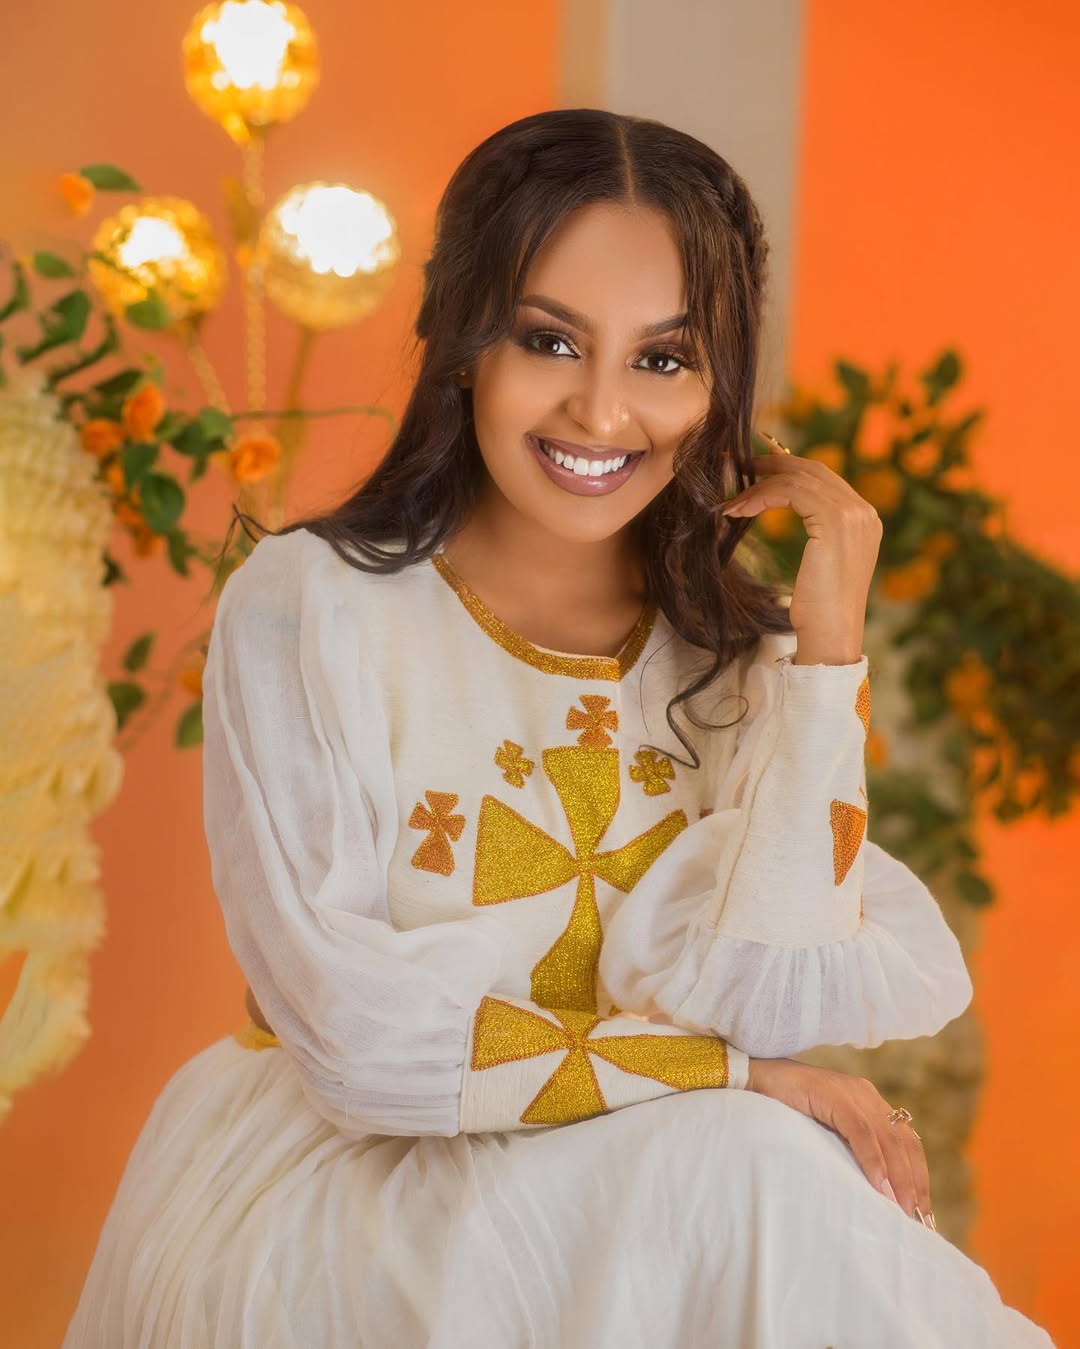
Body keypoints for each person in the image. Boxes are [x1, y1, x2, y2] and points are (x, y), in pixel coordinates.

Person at [63, 108, 1055, 1348]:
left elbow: (776, 997)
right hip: (352, 1192)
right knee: (752, 1170)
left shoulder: (731, 653)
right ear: (465, 340)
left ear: (716, 384)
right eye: (550, 340)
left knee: (749, 1179)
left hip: (665, 1185)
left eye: (661, 359)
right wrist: (731, 1079)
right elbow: (366, 1047)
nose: (600, 412)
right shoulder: (313, 607)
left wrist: (828, 649)